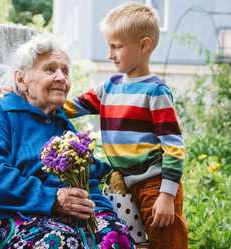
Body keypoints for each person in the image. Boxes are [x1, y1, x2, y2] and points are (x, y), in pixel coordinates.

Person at [0, 34, 136, 249]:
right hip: (0, 214)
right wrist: (51, 199)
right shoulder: (3, 115)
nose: (62, 77)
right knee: (60, 241)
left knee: (115, 238)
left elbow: (87, 178)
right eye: (50, 69)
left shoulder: (62, 125)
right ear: (21, 79)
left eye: (65, 71)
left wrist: (102, 214)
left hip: (61, 218)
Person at [63, 2, 188, 249]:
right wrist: (35, 99)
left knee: (166, 239)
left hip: (155, 183)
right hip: (123, 183)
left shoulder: (155, 91)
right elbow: (69, 107)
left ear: (144, 45)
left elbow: (174, 147)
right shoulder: (109, 87)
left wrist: (167, 194)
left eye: (116, 46)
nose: (110, 54)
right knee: (133, 242)